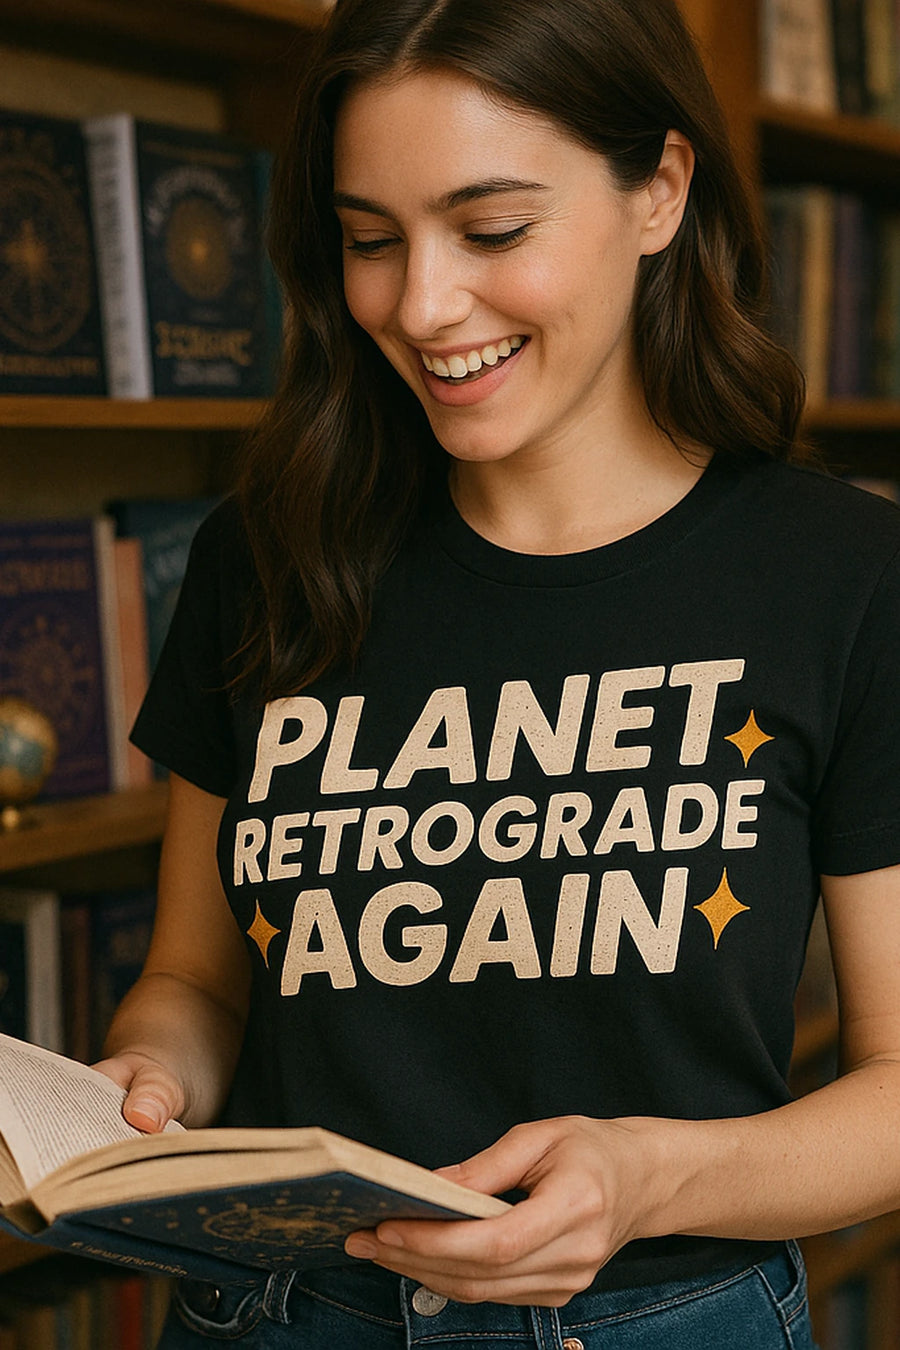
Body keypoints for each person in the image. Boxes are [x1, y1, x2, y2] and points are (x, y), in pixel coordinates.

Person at [97, 0, 900, 1346]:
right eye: (369, 240)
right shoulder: (266, 553)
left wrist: (649, 1175)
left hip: (656, 1317)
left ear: (659, 188)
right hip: (279, 1313)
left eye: (492, 229)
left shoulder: (848, 574)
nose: (420, 305)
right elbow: (196, 980)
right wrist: (143, 1085)